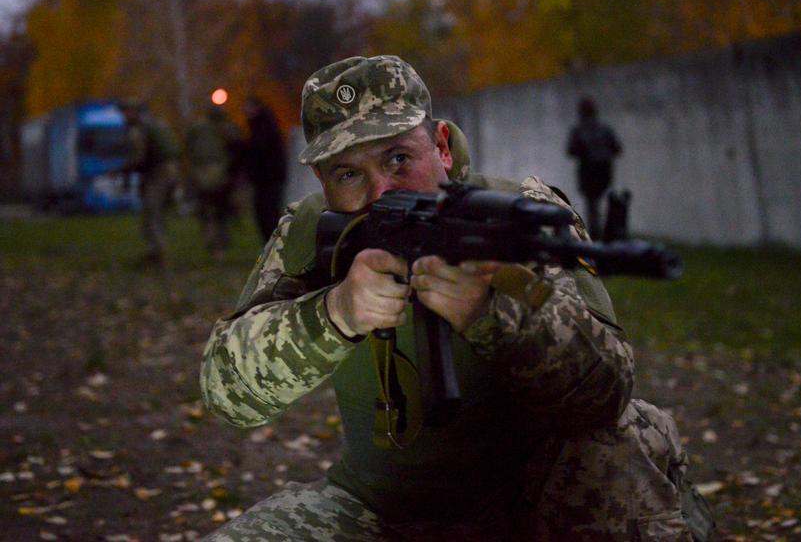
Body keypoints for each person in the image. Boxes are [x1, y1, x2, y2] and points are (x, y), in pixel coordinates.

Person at [200, 56, 709, 541]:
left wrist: (496, 310)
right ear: (322, 181)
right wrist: (334, 315)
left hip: (537, 500)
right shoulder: (309, 232)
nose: (382, 192)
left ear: (441, 145)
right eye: (349, 174)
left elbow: (604, 392)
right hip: (383, 512)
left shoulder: (522, 212)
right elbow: (227, 395)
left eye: (399, 158)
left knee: (627, 439)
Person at [118, 99, 181, 266]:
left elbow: (138, 157)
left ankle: (159, 255)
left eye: (126, 112)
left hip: (159, 173)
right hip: (171, 171)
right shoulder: (157, 124)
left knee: (152, 214)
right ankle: (158, 253)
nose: (124, 116)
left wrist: (123, 170)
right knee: (157, 214)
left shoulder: (139, 129)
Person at [185, 105, 243, 261]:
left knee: (210, 211)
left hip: (206, 174)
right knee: (218, 211)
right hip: (218, 175)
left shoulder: (198, 128)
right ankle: (219, 243)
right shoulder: (227, 128)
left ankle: (215, 242)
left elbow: (189, 147)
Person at [567, 97, 623, 241]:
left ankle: (597, 235)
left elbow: (571, 151)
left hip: (589, 172)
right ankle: (606, 234)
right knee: (601, 203)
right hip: (604, 171)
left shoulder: (579, 130)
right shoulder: (604, 129)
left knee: (592, 206)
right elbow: (617, 149)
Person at [242, 96, 288, 242]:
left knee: (268, 213)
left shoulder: (263, 127)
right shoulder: (263, 125)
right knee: (266, 212)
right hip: (267, 178)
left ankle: (273, 244)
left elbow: (260, 151)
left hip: (268, 179)